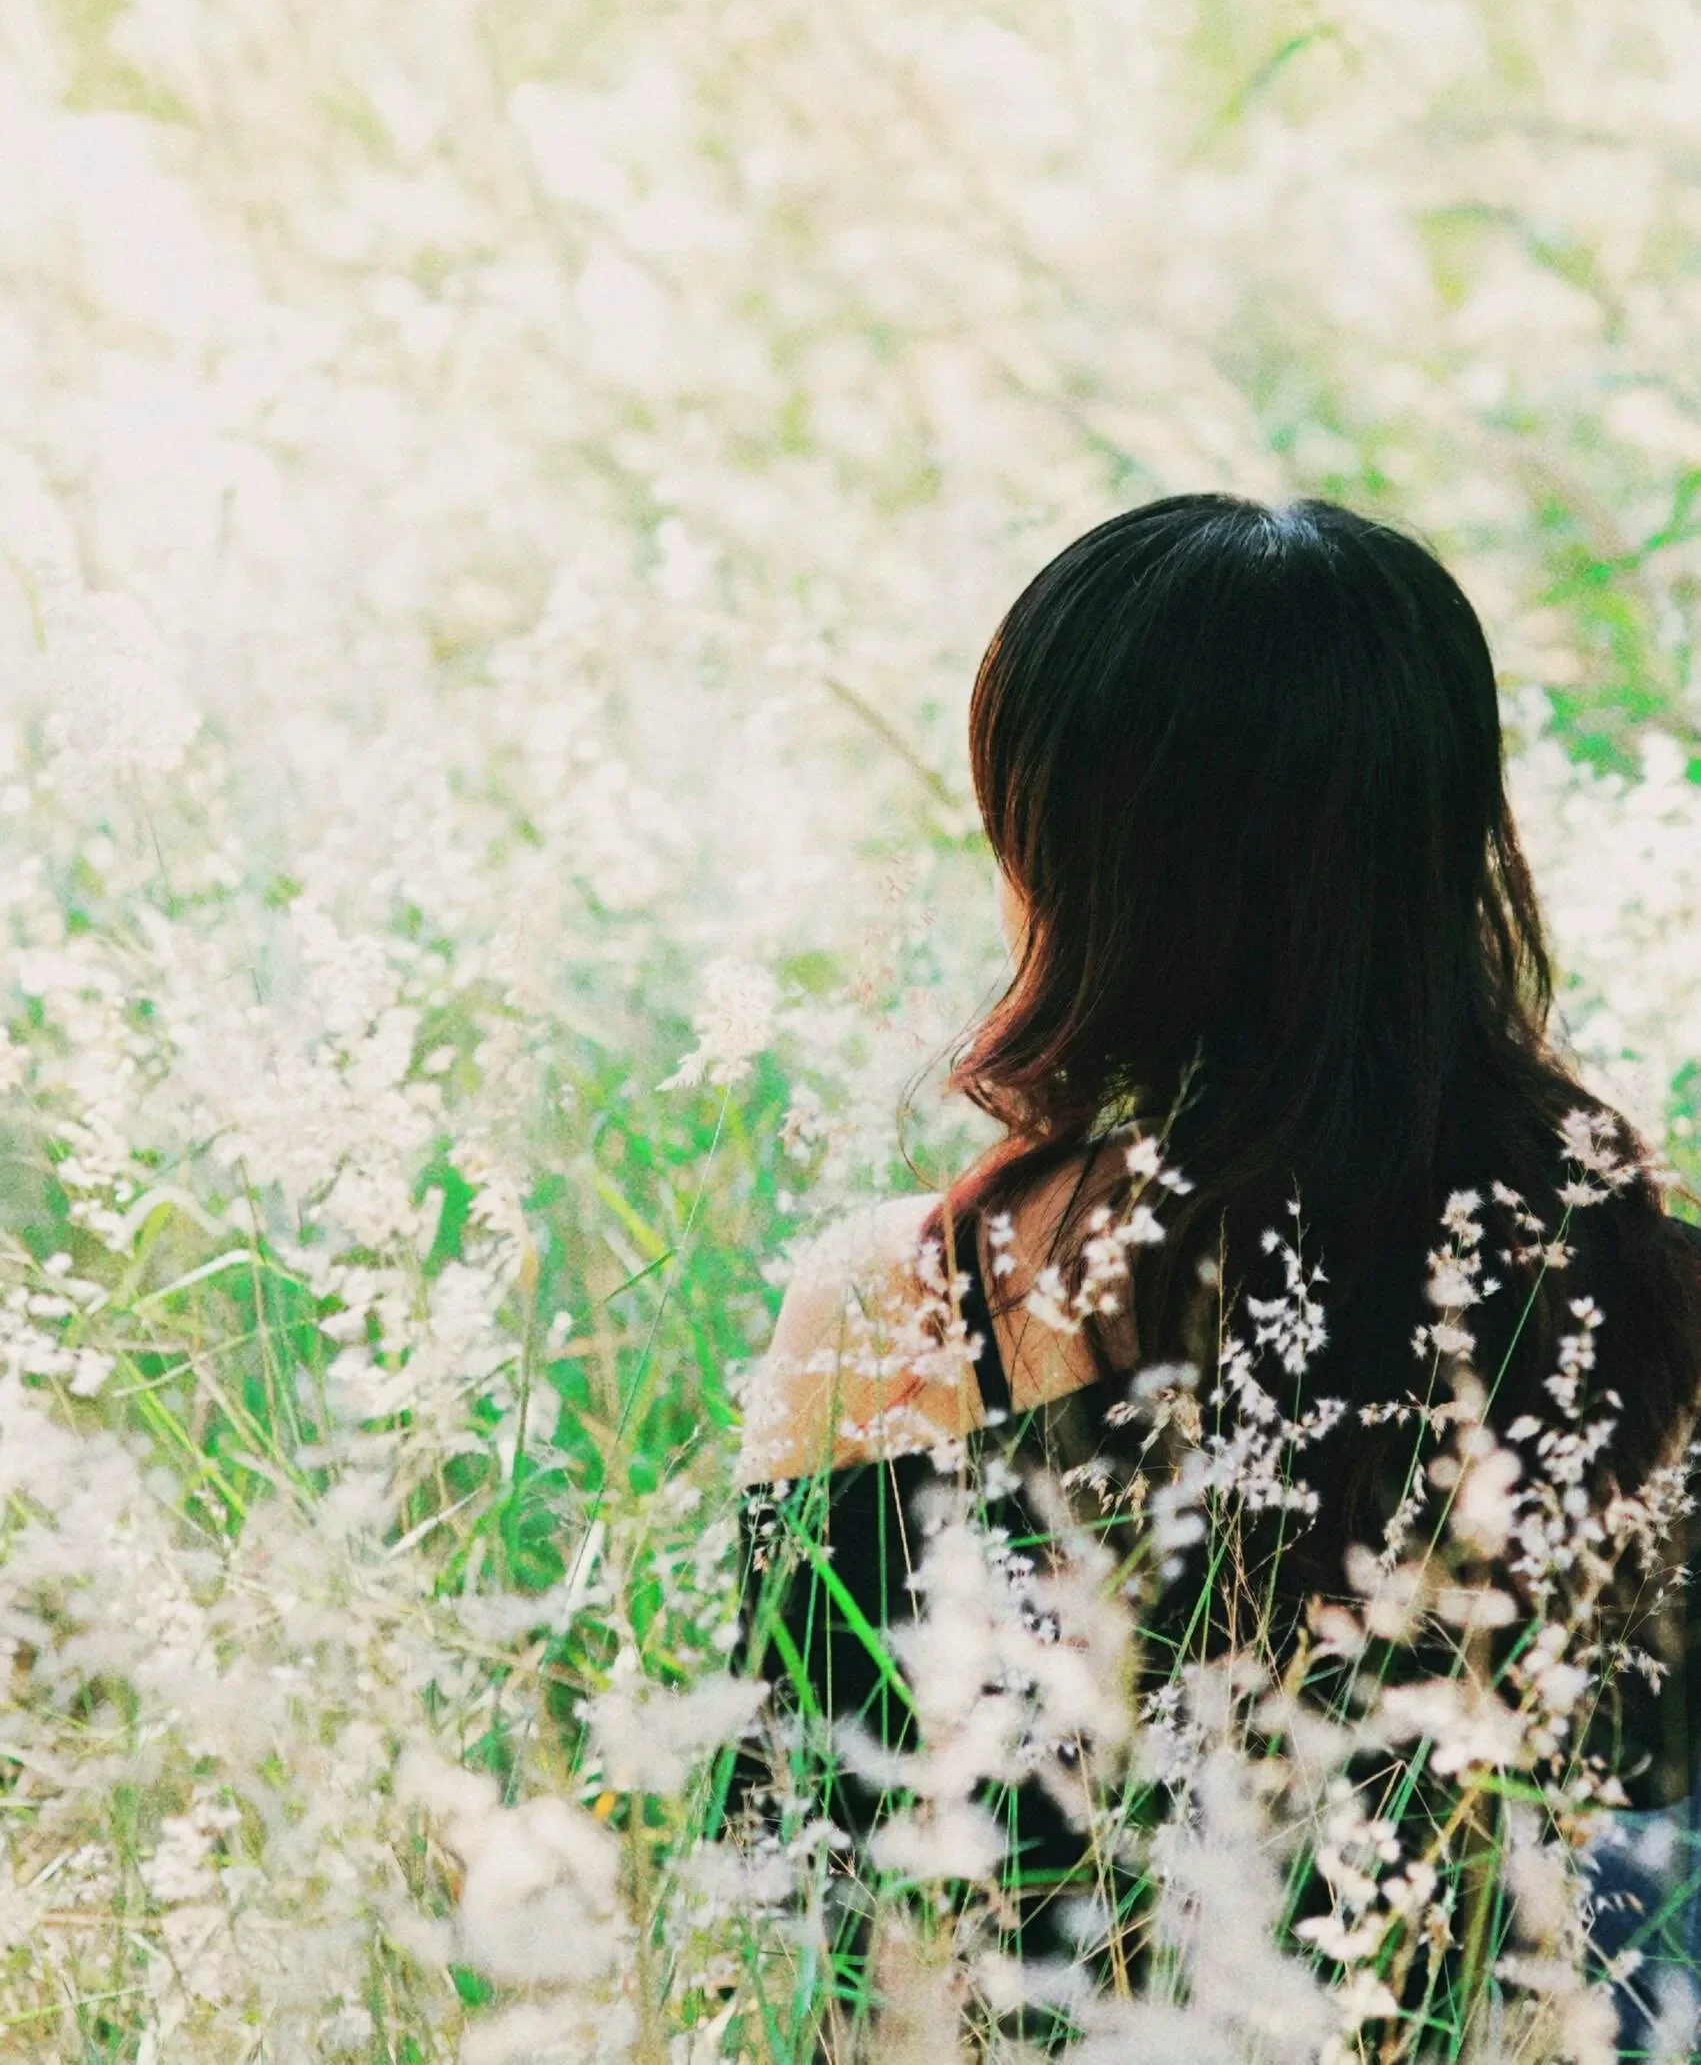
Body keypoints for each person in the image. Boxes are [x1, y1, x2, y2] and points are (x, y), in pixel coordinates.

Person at [719, 495, 1701, 2054]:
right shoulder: (1649, 1299)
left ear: (1067, 853)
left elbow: (791, 1881)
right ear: (1447, 837)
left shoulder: (904, 1304)